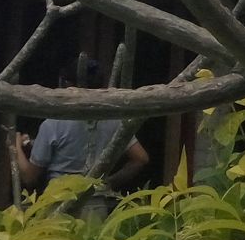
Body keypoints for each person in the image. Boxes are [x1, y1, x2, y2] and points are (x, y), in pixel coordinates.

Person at [15, 54, 149, 209]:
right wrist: (108, 182)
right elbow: (141, 158)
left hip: (59, 203)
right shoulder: (114, 121)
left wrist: (15, 146)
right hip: (96, 203)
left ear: (69, 85)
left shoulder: (53, 124)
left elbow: (29, 177)